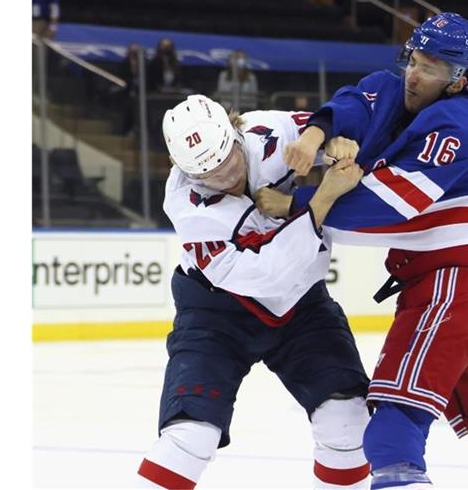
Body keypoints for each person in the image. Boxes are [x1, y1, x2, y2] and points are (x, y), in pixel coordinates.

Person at [256, 12, 468, 490]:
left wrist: (297, 203)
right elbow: (360, 100)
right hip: (465, 293)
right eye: (413, 59)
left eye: (432, 66)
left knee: (391, 435)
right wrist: (317, 132)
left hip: (450, 290)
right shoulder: (404, 89)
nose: (414, 73)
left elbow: (389, 206)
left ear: (461, 78)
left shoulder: (461, 125)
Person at [136, 95, 372, 489]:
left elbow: (348, 111)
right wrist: (323, 197)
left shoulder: (268, 130)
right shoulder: (188, 206)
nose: (226, 175)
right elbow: (271, 274)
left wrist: (329, 138)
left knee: (348, 423)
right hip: (216, 314)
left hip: (303, 307)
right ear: (181, 168)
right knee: (190, 437)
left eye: (227, 157)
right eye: (208, 173)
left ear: (233, 130)